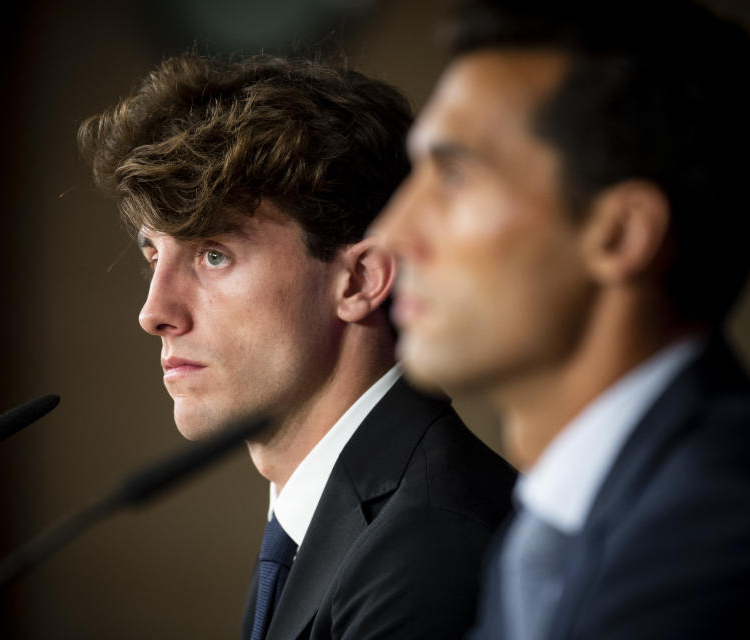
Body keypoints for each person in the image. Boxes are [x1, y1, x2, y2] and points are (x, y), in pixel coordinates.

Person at [373, 1, 750, 637]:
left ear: (619, 235)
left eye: (452, 175)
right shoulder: (567, 514)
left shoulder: (731, 534)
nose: (391, 233)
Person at [77, 52, 515, 640]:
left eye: (213, 254)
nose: (154, 313)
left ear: (359, 280)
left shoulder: (428, 542)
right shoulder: (328, 515)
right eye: (154, 257)